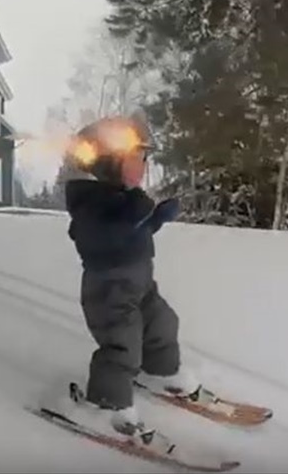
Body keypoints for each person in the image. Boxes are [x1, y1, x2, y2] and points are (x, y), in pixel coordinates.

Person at [64, 117, 200, 439]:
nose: (142, 167)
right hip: (109, 291)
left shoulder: (125, 202)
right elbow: (110, 231)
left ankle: (162, 372)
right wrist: (140, 212)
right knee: (122, 345)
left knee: (163, 323)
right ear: (109, 165)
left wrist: (156, 219)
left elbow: (134, 231)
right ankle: (106, 403)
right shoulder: (90, 203)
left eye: (143, 159)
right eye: (134, 160)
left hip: (140, 283)